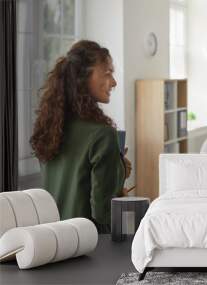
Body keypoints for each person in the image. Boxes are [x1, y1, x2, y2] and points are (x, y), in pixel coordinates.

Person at [30, 40, 132, 233]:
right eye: (107, 73)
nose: (114, 82)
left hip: (51, 238)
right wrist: (119, 176)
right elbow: (103, 213)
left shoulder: (50, 127)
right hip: (86, 243)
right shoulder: (102, 134)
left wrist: (116, 169)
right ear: (83, 78)